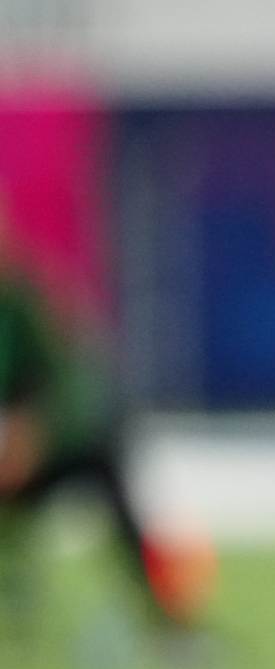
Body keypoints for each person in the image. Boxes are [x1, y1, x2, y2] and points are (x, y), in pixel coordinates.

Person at [0, 201, 198, 638]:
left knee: (119, 508)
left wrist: (30, 442)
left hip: (72, 446)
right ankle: (19, 607)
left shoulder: (28, 304)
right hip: (20, 451)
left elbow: (61, 384)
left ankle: (165, 620)